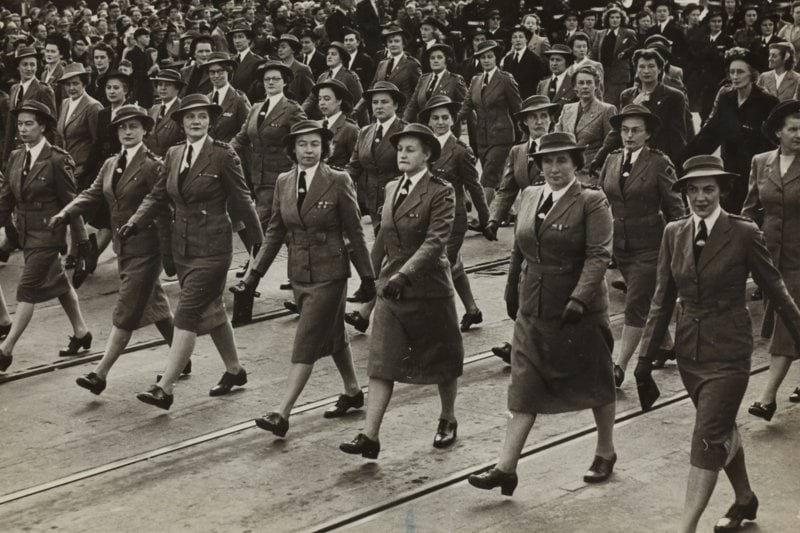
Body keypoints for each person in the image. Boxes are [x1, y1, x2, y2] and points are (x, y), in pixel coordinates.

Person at [635, 154, 800, 533]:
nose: (700, 197)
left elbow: (776, 290)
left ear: (722, 190)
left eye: (708, 189)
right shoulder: (673, 233)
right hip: (691, 354)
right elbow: (661, 300)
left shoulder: (743, 233)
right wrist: (645, 360)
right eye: (693, 189)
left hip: (729, 353)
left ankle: (685, 528)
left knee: (707, 436)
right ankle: (744, 497)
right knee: (720, 430)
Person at [468, 132, 617, 495]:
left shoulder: (592, 201)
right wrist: (510, 291)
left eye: (562, 161)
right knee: (524, 384)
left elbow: (599, 255)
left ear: (576, 164)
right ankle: (506, 466)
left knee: (595, 379)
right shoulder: (531, 195)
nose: (553, 168)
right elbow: (520, 248)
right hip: (533, 306)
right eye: (547, 161)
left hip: (576, 311)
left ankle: (605, 450)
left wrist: (580, 299)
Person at [119, 94, 264, 410]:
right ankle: (235, 370)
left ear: (210, 121)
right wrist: (134, 221)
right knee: (213, 310)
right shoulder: (172, 154)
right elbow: (158, 196)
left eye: (201, 116)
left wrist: (259, 244)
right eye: (190, 117)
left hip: (213, 248)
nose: (196, 122)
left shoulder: (223, 156)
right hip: (182, 247)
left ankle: (165, 387)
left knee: (186, 314)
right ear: (181, 123)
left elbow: (243, 200)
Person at [236, 120, 375, 437]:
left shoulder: (339, 181)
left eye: (315, 144)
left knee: (307, 338)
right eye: (302, 144)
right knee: (333, 331)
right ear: (292, 149)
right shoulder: (284, 182)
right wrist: (254, 273)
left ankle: (282, 412)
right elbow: (274, 233)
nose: (309, 150)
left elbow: (354, 232)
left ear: (324, 149)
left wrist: (367, 277)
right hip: (299, 272)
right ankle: (353, 391)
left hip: (331, 273)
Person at [339, 123, 462, 458]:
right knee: (382, 361)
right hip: (391, 289)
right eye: (400, 149)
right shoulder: (393, 187)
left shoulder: (441, 191)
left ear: (427, 155)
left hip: (428, 288)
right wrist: (369, 277)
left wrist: (403, 276)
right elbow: (383, 236)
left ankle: (448, 417)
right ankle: (370, 435)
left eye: (411, 149)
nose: (403, 155)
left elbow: (435, 242)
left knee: (442, 360)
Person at [50, 105, 181, 394]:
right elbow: (92, 194)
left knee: (126, 309)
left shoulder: (152, 165)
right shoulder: (111, 164)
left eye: (134, 126)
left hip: (148, 248)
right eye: (122, 127)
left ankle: (100, 373)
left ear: (146, 129)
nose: (128, 132)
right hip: (124, 248)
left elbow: (163, 205)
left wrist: (169, 253)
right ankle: (181, 358)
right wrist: (66, 212)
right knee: (155, 304)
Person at [0, 102, 94, 372]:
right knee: (61, 284)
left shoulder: (56, 159)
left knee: (27, 290)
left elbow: (71, 204)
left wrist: (81, 242)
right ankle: (81, 332)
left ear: (43, 126)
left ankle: (5, 351)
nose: (23, 129)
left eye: (29, 123)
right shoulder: (17, 157)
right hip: (26, 234)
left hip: (49, 234)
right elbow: (6, 199)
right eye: (20, 124)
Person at [598, 104, 685, 387]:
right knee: (645, 300)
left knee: (636, 303)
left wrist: (681, 246)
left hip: (651, 246)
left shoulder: (659, 163)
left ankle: (619, 366)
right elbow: (602, 202)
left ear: (648, 134)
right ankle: (666, 344)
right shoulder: (611, 161)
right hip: (619, 246)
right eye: (624, 130)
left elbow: (676, 209)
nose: (629, 135)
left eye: (636, 130)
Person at [744, 101, 800, 419]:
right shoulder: (760, 162)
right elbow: (750, 208)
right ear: (778, 131)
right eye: (792, 128)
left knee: (786, 323)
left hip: (798, 258)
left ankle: (767, 399)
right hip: (770, 259)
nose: (798, 134)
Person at [422, 95, 491, 331]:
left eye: (445, 118)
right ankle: (472, 310)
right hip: (429, 218)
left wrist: (486, 219)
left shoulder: (461, 151)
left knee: (439, 269)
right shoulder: (424, 146)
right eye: (436, 118)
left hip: (453, 220)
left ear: (453, 121)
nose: (440, 122)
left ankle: (440, 323)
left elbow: (475, 186)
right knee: (453, 265)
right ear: (429, 121)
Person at [684, 47, 778, 214]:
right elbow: (708, 136)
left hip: (757, 176)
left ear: (752, 74)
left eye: (740, 72)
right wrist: (682, 161)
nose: (735, 76)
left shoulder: (767, 102)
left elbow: (774, 143)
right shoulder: (726, 99)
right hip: (730, 173)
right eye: (732, 72)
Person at [231, 61, 306, 230]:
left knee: (261, 224)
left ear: (285, 82)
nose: (270, 82)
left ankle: (257, 257)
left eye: (275, 79)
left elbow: (302, 141)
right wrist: (218, 152)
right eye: (267, 79)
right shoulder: (256, 108)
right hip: (258, 176)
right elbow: (241, 138)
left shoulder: (292, 109)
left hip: (281, 175)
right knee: (280, 227)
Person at [457, 40, 522, 212]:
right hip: (482, 136)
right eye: (482, 57)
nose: (486, 60)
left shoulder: (505, 80)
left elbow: (518, 109)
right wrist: (450, 121)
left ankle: (483, 217)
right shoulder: (476, 80)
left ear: (496, 58)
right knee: (497, 178)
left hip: (502, 135)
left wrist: (525, 133)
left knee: (488, 176)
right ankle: (508, 212)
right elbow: (466, 105)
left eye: (489, 57)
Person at [345, 81, 406, 231]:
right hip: (373, 202)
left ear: (396, 105)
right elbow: (354, 167)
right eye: (375, 102)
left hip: (400, 202)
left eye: (384, 102)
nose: (379, 106)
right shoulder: (365, 132)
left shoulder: (405, 131)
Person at [554, 65, 616, 182]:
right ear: (575, 87)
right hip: (566, 173)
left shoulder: (606, 110)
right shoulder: (567, 109)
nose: (585, 87)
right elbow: (557, 139)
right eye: (581, 83)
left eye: (589, 83)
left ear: (596, 86)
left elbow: (611, 147)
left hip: (593, 174)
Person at [3, 46, 57, 164]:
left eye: (32, 65)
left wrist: (48, 157)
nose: (29, 68)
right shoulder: (14, 89)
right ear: (18, 67)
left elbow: (52, 127)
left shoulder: (43, 90)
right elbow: (10, 126)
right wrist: (5, 158)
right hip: (17, 153)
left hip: (37, 152)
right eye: (25, 64)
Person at [353, 26, 422, 115]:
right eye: (390, 41)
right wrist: (357, 109)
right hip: (380, 115)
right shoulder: (382, 64)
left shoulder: (411, 64)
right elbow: (372, 88)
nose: (393, 44)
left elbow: (419, 93)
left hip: (401, 117)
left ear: (403, 44)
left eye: (397, 41)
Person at [404, 44, 467, 124]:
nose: (435, 60)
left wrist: (452, 120)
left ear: (447, 60)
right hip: (425, 128)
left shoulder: (455, 80)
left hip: (446, 128)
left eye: (439, 57)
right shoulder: (423, 79)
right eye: (432, 58)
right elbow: (413, 105)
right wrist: (403, 122)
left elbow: (465, 106)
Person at [301, 41, 363, 121]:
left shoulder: (349, 77)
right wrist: (300, 112)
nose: (329, 57)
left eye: (333, 54)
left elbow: (360, 102)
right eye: (328, 54)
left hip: (343, 121)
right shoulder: (323, 77)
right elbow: (312, 98)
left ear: (341, 58)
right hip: (324, 120)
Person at [593, 6, 638, 108]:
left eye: (617, 17)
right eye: (612, 17)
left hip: (620, 76)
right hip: (603, 75)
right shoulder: (600, 33)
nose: (615, 20)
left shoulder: (628, 33)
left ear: (621, 19)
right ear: (607, 19)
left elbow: (635, 48)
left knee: (616, 104)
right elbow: (594, 52)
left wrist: (625, 52)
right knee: (603, 102)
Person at [202, 52, 252, 143]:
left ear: (228, 72)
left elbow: (248, 132)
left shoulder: (239, 99)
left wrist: (230, 148)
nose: (216, 76)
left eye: (220, 71)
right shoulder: (206, 99)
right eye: (212, 72)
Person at [145, 69, 186, 157]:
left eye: (168, 85)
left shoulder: (183, 110)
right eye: (160, 84)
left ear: (177, 88)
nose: (163, 88)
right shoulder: (153, 109)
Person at [501, 25, 547, 100]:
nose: (518, 40)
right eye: (514, 37)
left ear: (526, 40)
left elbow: (539, 83)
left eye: (521, 37)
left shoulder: (535, 59)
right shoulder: (507, 59)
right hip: (511, 100)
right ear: (511, 41)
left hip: (528, 100)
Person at [228, 20, 263, 102]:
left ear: (249, 40)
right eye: (235, 37)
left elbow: (257, 92)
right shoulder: (230, 60)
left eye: (240, 37)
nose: (237, 41)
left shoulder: (257, 61)